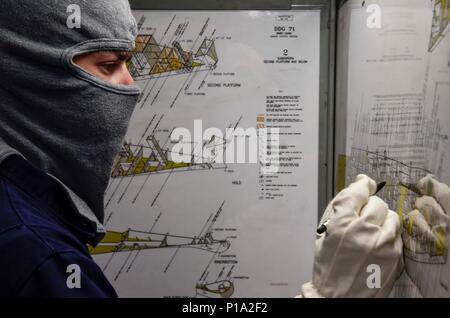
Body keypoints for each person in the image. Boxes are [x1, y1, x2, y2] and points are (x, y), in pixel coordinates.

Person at [0, 0, 140, 297]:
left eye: (128, 63)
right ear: (31, 73)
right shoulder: (42, 257)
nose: (130, 83)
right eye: (109, 65)